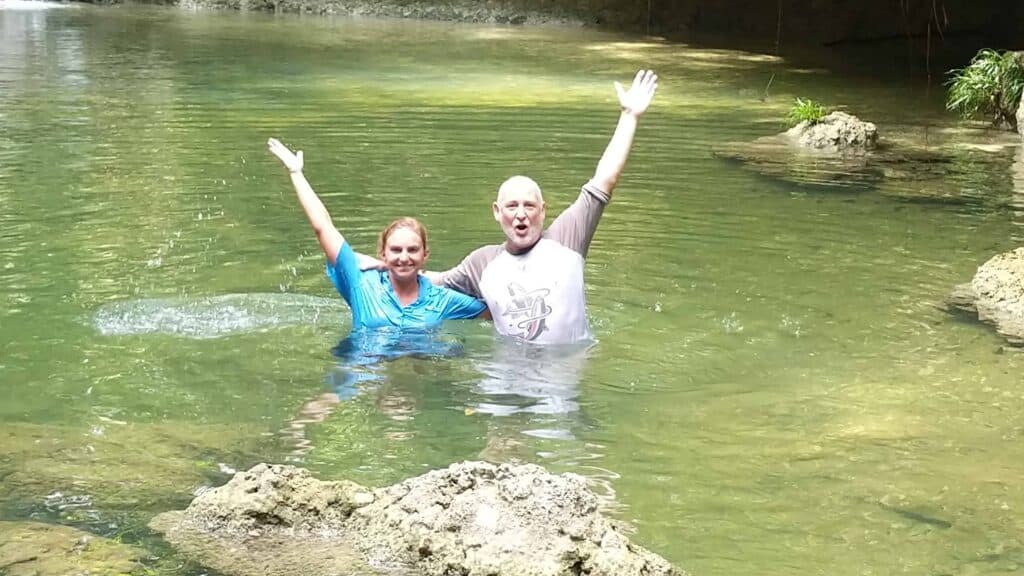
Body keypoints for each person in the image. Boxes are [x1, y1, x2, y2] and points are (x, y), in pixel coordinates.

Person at [424, 69, 659, 345]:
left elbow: (605, 179)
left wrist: (629, 116)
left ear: (543, 210)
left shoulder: (567, 238)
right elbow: (431, 281)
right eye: (512, 206)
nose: (521, 214)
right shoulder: (481, 263)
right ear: (497, 212)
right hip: (503, 369)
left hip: (565, 367)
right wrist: (381, 267)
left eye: (529, 205)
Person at [267, 137, 488, 329]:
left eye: (412, 250)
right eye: (396, 250)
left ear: (425, 255)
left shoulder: (443, 300)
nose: (404, 257)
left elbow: (495, 311)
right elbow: (323, 227)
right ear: (383, 254)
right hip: (365, 364)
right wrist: (296, 173)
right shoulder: (361, 283)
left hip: (421, 363)